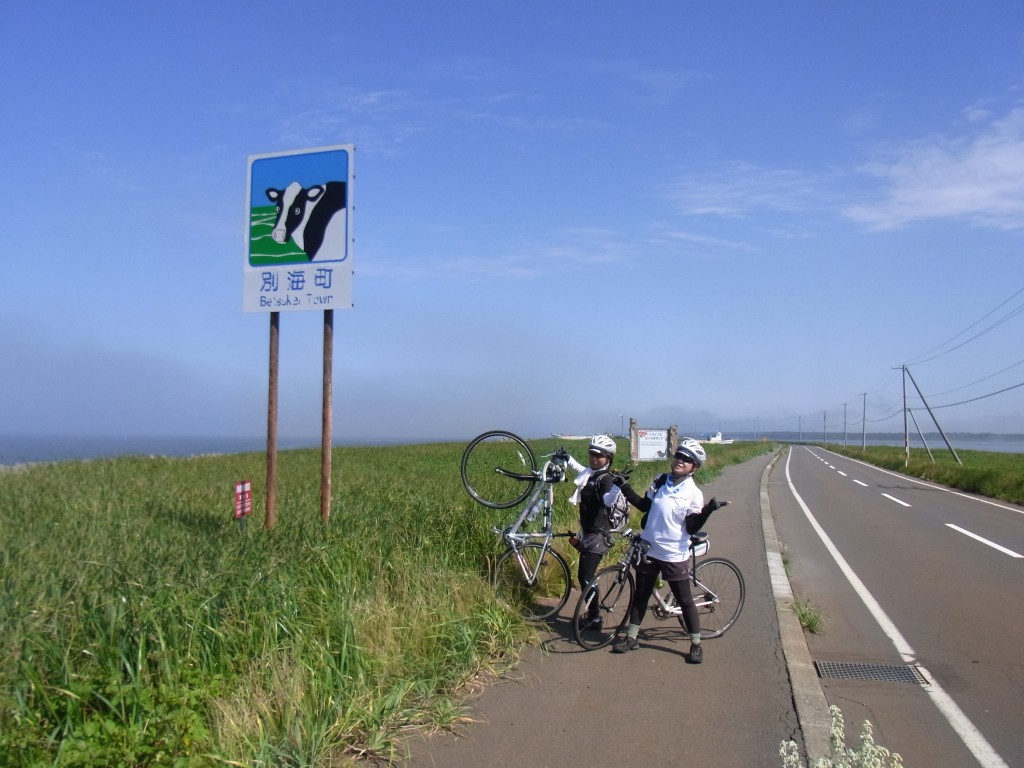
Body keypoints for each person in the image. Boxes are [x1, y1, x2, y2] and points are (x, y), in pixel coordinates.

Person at [611, 438, 727, 663]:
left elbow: (691, 526)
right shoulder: (661, 480)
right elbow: (644, 506)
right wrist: (624, 486)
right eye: (678, 456)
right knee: (641, 595)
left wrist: (708, 511)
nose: (680, 461)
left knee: (684, 599)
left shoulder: (693, 493)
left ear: (694, 467)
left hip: (673, 553)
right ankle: (632, 637)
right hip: (649, 547)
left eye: (687, 459)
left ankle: (696, 644)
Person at [564, 434, 629, 630]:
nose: (594, 458)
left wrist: (618, 488)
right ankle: (594, 615)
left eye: (599, 456)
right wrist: (568, 458)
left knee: (585, 576)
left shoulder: (606, 479)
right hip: (588, 532)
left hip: (597, 535)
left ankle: (595, 617)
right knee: (585, 576)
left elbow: (608, 500)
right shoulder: (590, 474)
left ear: (608, 459)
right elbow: (579, 469)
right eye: (592, 454)